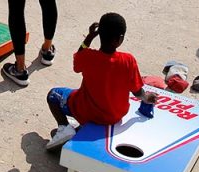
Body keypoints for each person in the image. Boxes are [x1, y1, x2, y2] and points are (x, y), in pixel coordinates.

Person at [44, 12, 157, 151]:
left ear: (99, 35)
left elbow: (77, 61)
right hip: (114, 116)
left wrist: (89, 37)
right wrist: (146, 98)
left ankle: (64, 128)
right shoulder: (128, 60)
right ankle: (78, 129)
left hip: (87, 113)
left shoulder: (88, 56)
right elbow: (137, 92)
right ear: (120, 39)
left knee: (54, 94)